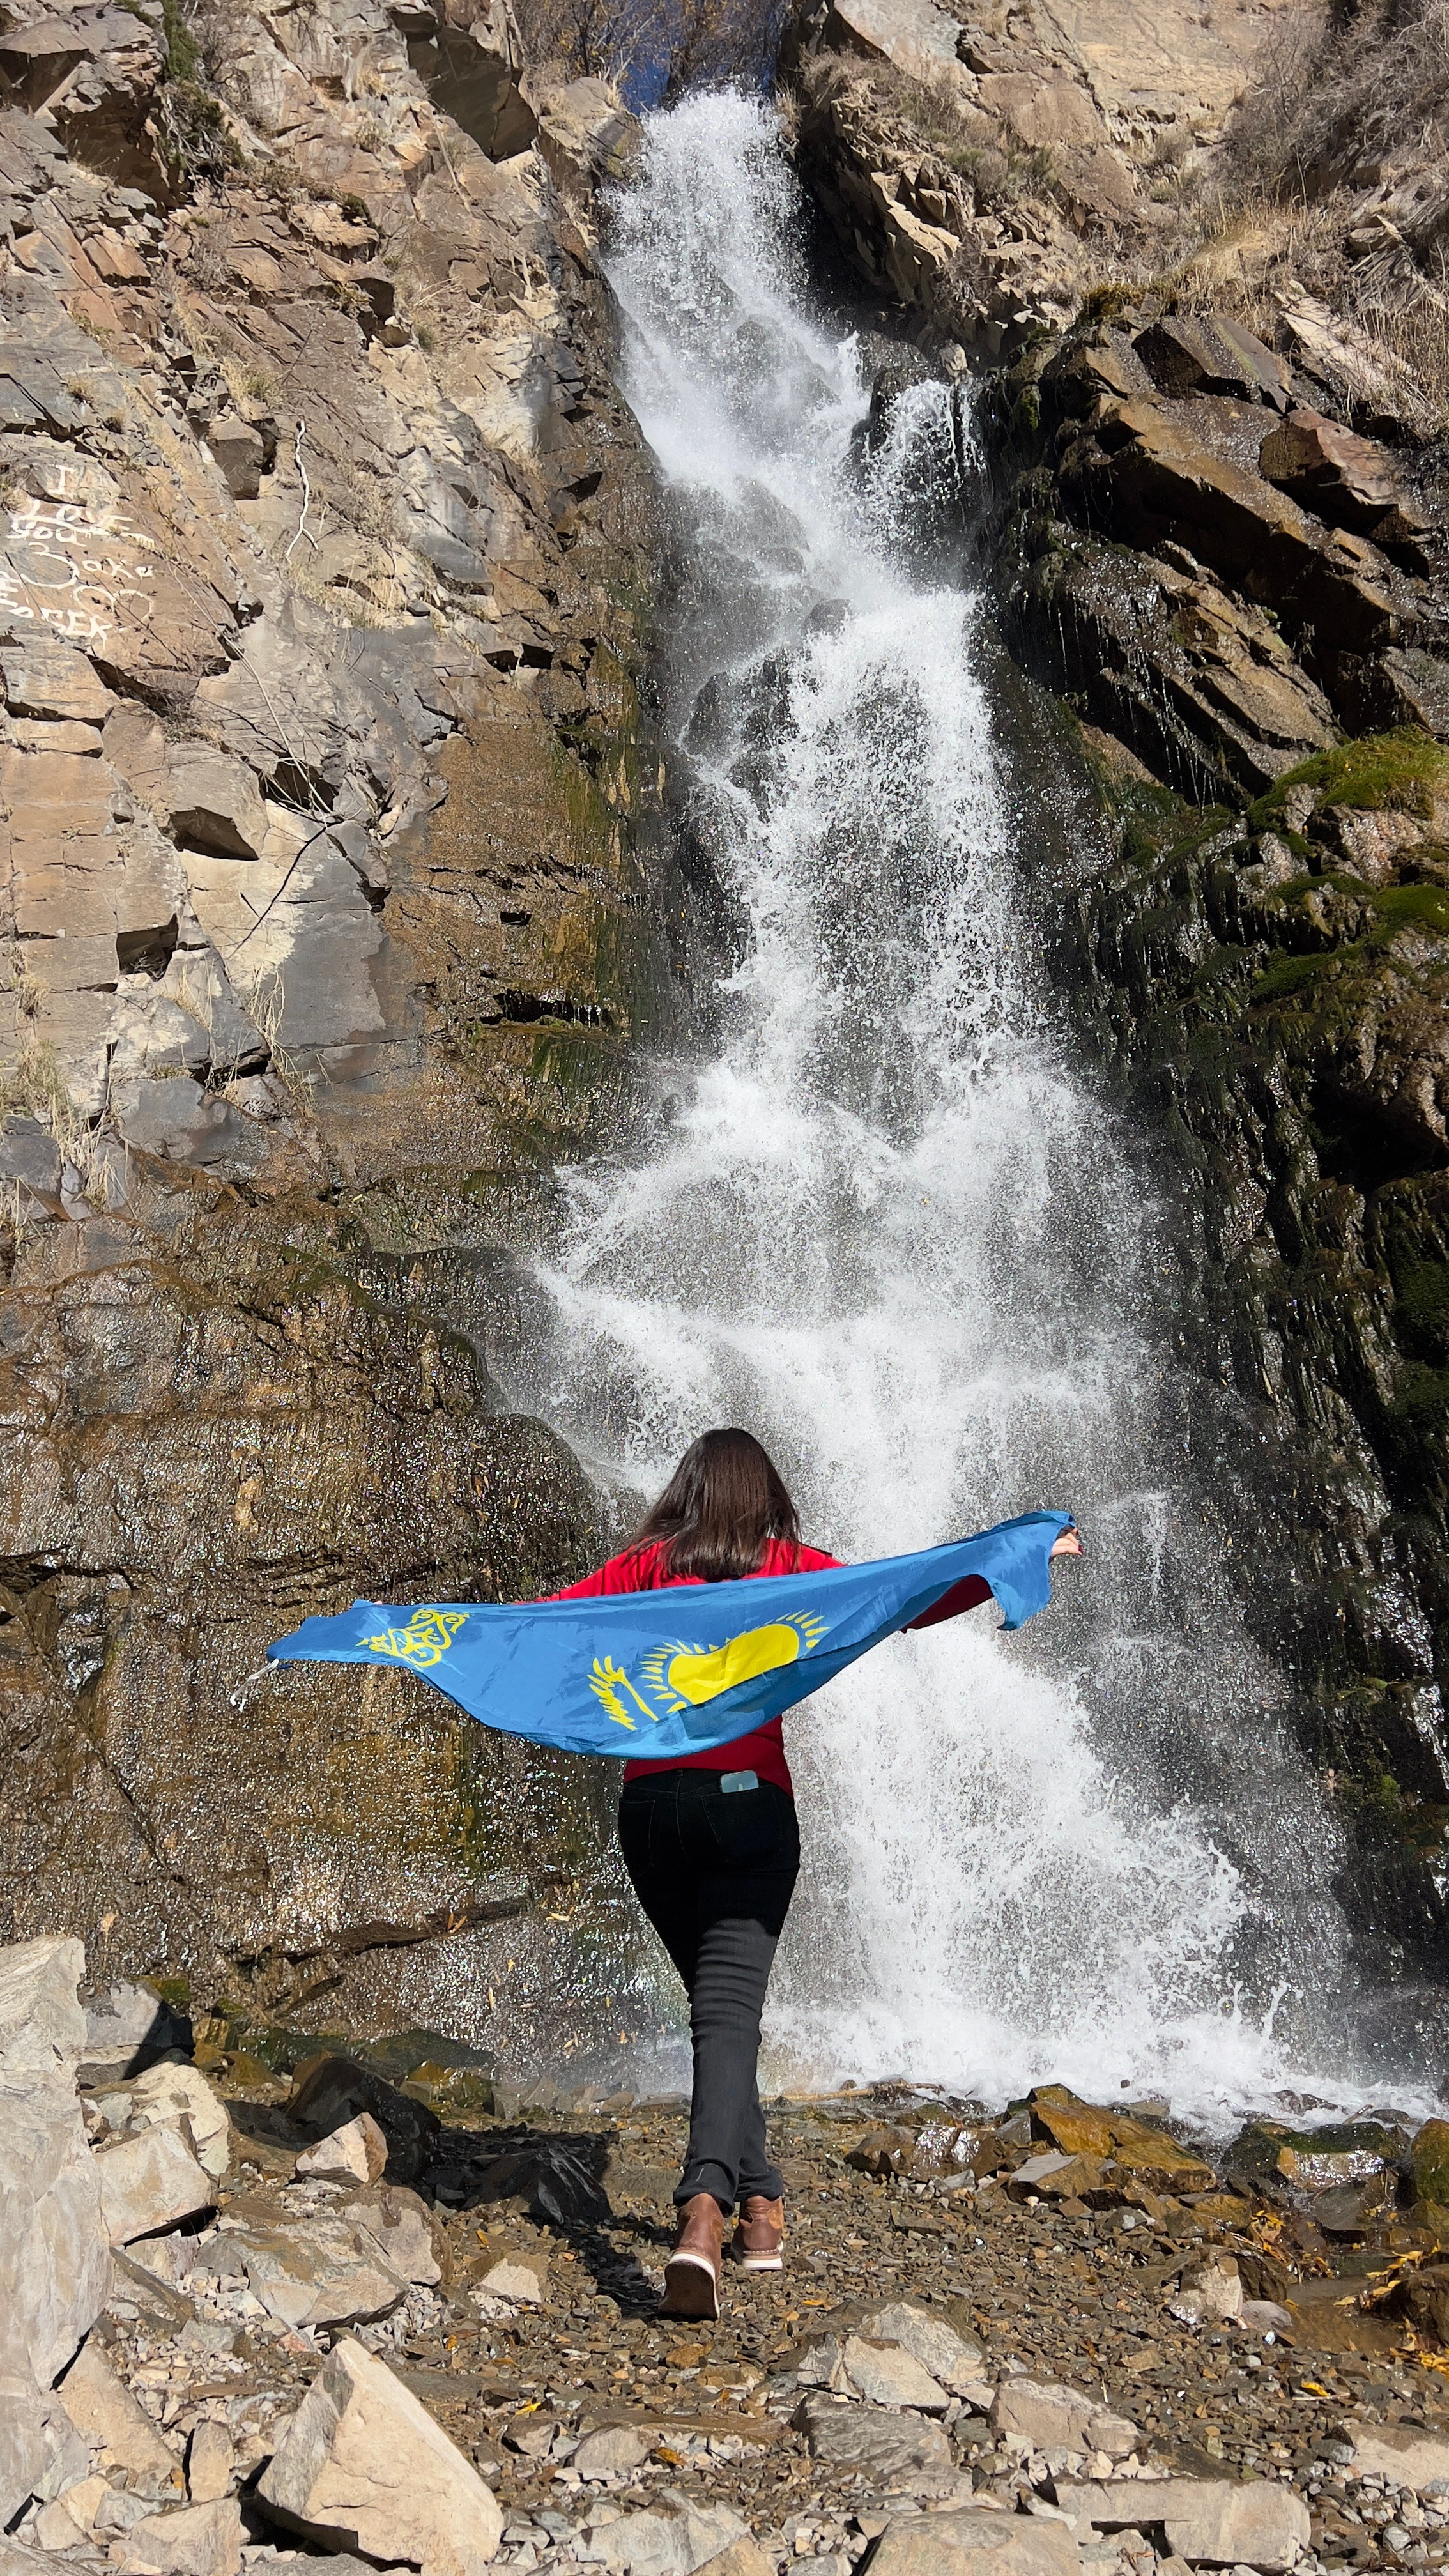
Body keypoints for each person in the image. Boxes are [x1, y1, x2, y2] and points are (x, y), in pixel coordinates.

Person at [548, 1426, 1082, 2321]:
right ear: (766, 1498)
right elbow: (906, 1597)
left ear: (686, 1491)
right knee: (726, 2015)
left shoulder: (644, 1567)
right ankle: (703, 2213)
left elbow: (541, 1629)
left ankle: (762, 2208)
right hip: (749, 1806)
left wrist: (419, 1637)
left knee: (720, 2015)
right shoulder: (790, 1567)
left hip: (651, 1811)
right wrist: (1019, 1552)